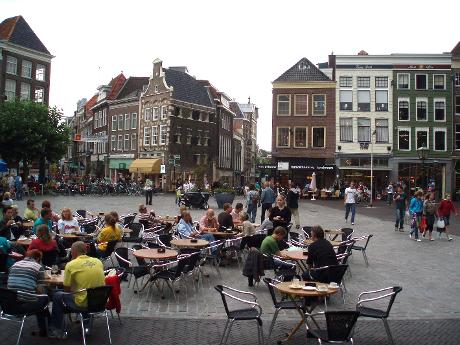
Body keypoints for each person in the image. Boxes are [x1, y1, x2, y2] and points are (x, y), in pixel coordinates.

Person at [49, 241, 105, 338]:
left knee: (57, 295)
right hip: (100, 301)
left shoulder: (71, 265)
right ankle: (86, 325)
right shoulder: (98, 261)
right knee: (83, 292)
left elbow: (66, 290)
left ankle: (56, 329)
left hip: (83, 303)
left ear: (73, 252)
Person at [7, 249, 49, 337]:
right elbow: (39, 291)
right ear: (38, 259)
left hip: (9, 303)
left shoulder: (15, 264)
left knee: (41, 298)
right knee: (45, 296)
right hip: (25, 304)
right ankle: (47, 327)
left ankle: (46, 326)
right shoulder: (38, 267)